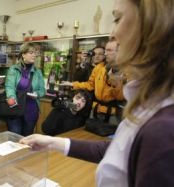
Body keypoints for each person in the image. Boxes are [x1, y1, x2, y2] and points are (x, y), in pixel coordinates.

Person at [20, 0, 174, 186]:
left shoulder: (163, 129)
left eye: (117, 19)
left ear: (153, 28)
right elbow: (118, 150)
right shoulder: (149, 105)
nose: (112, 34)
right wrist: (52, 142)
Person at [61, 40, 124, 123]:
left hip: (112, 112)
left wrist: (115, 81)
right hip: (95, 109)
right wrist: (72, 84)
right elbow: (90, 84)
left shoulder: (125, 70)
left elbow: (121, 97)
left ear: (119, 52)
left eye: (109, 50)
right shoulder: (98, 67)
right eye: (105, 51)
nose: (105, 54)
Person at [5, 43, 46, 136]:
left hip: (31, 111)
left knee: (27, 139)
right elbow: (9, 86)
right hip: (15, 109)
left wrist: (37, 94)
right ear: (23, 54)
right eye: (31, 52)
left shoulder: (37, 72)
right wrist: (11, 97)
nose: (34, 55)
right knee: (14, 139)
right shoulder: (13, 69)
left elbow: (42, 90)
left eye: (35, 53)